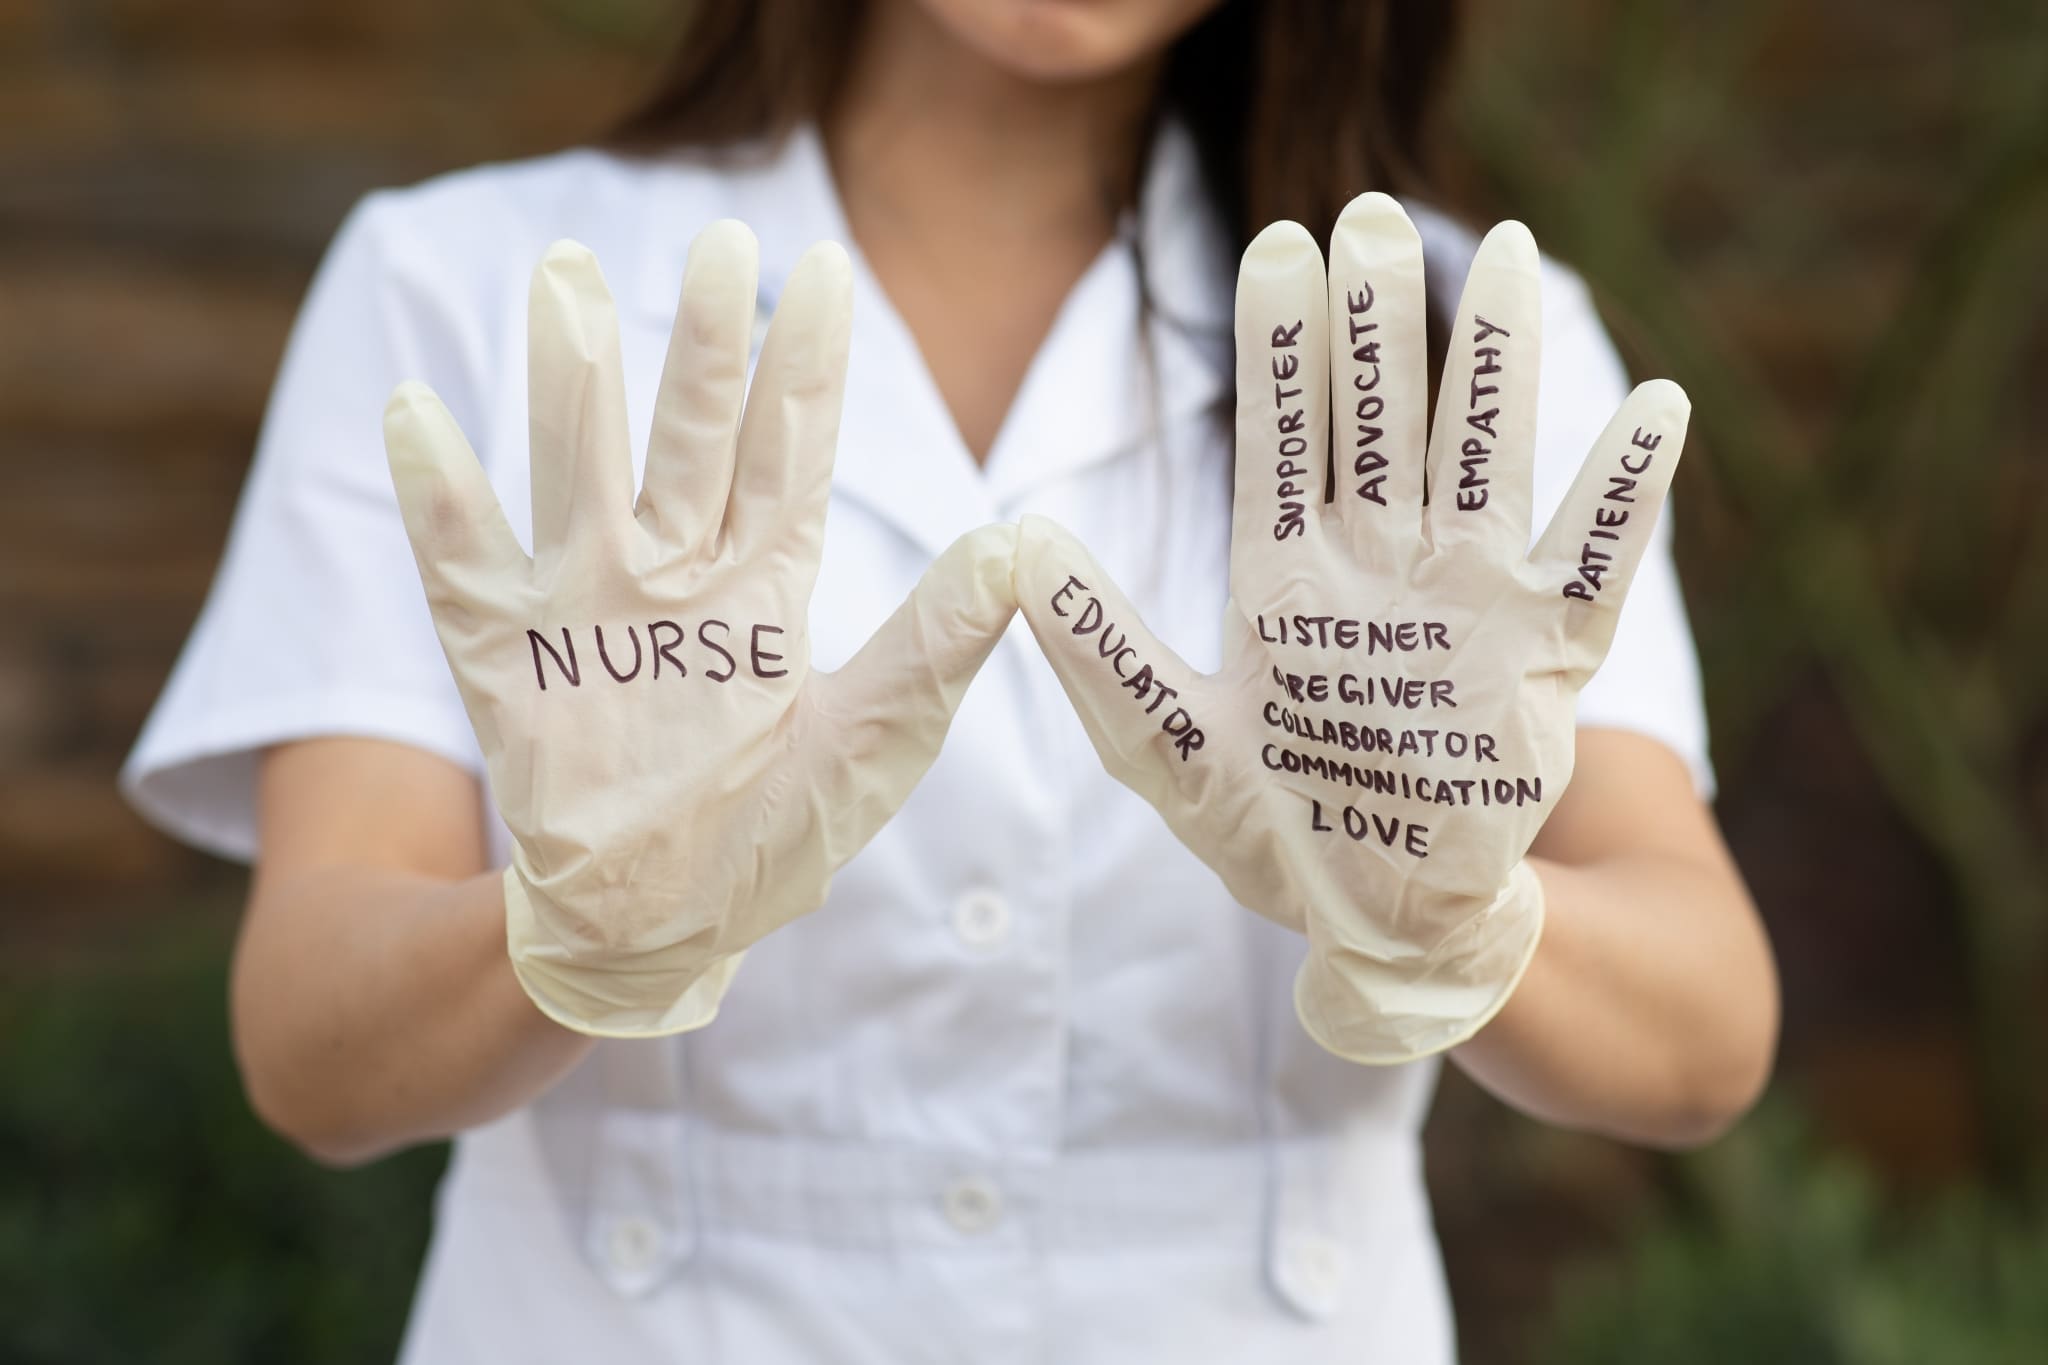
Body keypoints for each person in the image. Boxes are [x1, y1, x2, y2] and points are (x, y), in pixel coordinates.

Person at [122, 0, 1779, 1359]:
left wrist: (1459, 929)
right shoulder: (469, 285)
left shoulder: (1454, 338)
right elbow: (309, 1049)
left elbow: (1706, 1035)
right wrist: (575, 929)